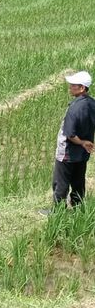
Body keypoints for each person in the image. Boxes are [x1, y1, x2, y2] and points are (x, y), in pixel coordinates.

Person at [42, 71, 95, 214]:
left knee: (61, 183)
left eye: (73, 85)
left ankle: (58, 212)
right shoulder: (92, 103)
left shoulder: (74, 108)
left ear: (82, 88)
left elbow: (70, 134)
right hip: (82, 155)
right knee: (78, 182)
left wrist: (82, 142)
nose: (70, 87)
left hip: (67, 153)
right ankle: (78, 209)